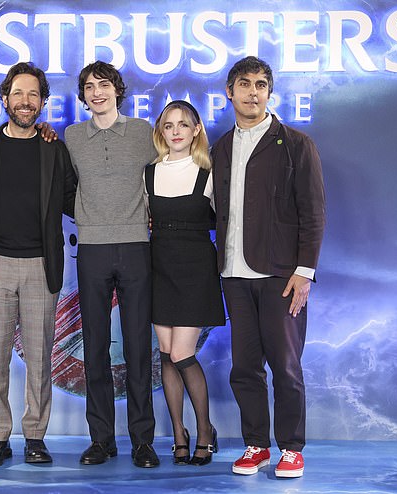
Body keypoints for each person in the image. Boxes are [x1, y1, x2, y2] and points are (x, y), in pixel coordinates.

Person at [211, 56, 325, 478]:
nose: (252, 92)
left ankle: (291, 448)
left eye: (261, 84)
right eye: (244, 84)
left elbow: (313, 213)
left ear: (269, 93)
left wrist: (304, 271)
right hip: (234, 275)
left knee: (286, 366)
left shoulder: (296, 144)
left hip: (281, 275)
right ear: (230, 92)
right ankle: (256, 445)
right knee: (245, 367)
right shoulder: (221, 147)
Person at [0, 62, 76, 466]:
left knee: (39, 357)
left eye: (33, 95)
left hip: (40, 266)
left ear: (43, 102)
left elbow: (74, 201)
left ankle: (35, 436)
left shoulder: (55, 148)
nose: (25, 102)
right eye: (18, 94)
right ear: (5, 99)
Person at [64, 61, 159, 468]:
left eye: (104, 85)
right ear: (83, 96)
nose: (97, 92)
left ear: (118, 90)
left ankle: (143, 441)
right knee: (95, 347)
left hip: (137, 245)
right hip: (93, 248)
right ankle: (101, 439)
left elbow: (168, 173)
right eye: (89, 86)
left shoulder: (142, 132)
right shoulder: (70, 136)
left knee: (138, 348)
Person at [145, 100, 226, 466]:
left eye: (183, 124)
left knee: (182, 354)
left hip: (195, 269)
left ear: (196, 130)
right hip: (158, 266)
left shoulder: (209, 172)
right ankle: (180, 434)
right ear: (161, 132)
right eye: (168, 124)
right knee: (165, 354)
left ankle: (205, 431)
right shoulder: (148, 173)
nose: (175, 130)